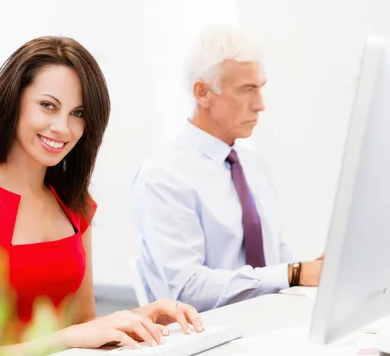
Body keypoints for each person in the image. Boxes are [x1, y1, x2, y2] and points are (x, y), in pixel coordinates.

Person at [0, 36, 202, 356]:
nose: (63, 127)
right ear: (12, 101)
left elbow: (84, 323)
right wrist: (67, 339)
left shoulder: (73, 203)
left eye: (77, 113)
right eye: (48, 105)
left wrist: (142, 315)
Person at [131, 26, 322, 313]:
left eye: (260, 88)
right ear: (203, 93)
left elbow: (278, 260)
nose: (260, 105)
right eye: (247, 90)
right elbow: (186, 289)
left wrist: (312, 272)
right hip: (207, 339)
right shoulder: (163, 176)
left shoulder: (254, 166)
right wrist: (294, 273)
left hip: (271, 327)